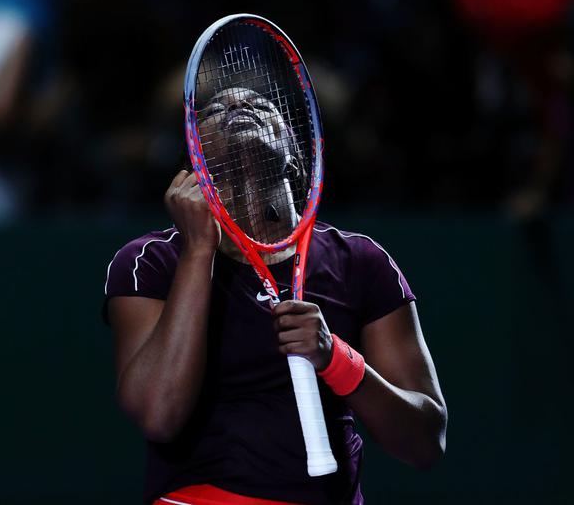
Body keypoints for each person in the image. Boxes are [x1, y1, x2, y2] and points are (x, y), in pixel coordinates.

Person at [103, 86, 447, 505]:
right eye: (215, 109)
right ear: (195, 163)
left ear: (296, 159)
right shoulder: (151, 261)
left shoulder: (360, 261)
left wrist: (335, 358)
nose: (238, 107)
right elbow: (159, 414)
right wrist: (197, 252)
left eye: (261, 104)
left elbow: (426, 441)